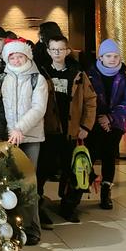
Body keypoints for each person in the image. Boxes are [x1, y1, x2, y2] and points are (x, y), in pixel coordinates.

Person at [0, 38, 47, 244]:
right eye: (12, 57)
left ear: (27, 57)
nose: (16, 60)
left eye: (20, 56)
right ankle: (11, 227)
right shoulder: (1, 79)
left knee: (28, 183)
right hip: (7, 138)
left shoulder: (37, 79)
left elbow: (38, 108)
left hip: (30, 137)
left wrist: (20, 129)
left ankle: (31, 228)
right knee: (7, 184)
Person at [40, 34, 96, 222]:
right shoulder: (42, 73)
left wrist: (86, 126)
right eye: (53, 49)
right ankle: (38, 207)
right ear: (48, 51)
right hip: (47, 132)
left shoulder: (78, 73)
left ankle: (69, 206)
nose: (57, 53)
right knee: (43, 170)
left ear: (67, 51)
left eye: (61, 49)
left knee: (72, 169)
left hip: (72, 131)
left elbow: (90, 101)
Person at [86, 39, 126, 210]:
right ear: (101, 57)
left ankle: (105, 191)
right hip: (93, 121)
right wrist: (100, 118)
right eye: (108, 56)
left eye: (115, 56)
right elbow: (86, 98)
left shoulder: (125, 79)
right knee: (90, 153)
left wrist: (110, 118)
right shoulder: (90, 75)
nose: (112, 59)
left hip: (115, 123)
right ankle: (87, 181)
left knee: (109, 154)